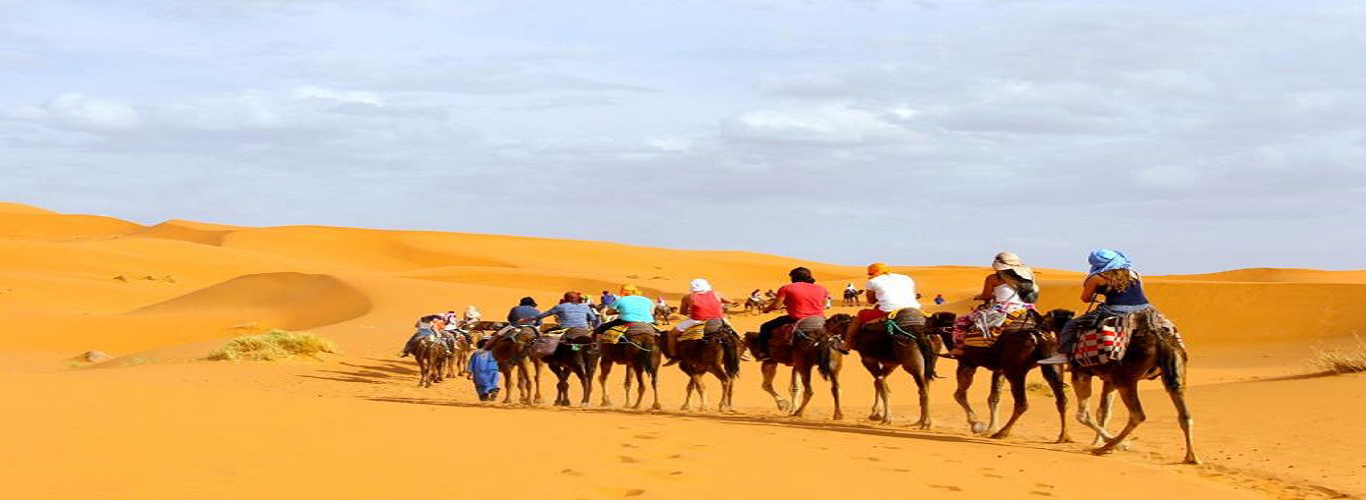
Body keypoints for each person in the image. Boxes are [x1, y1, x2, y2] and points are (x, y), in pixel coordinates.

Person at [1039, 249, 1152, 365]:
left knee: (1071, 325)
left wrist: (1097, 298)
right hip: (1144, 309)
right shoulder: (1134, 273)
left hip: (1116, 311)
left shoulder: (1096, 278)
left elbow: (1085, 298)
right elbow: (1141, 292)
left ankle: (1063, 354)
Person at [947, 252, 1037, 357]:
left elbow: (987, 296)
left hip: (1004, 308)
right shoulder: (1028, 278)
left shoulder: (993, 278)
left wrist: (979, 297)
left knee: (960, 322)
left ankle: (959, 348)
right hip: (1026, 308)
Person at [840, 263, 920, 352]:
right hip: (914, 309)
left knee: (860, 316)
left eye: (870, 274)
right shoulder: (906, 278)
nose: (870, 276)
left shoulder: (873, 281)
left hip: (889, 311)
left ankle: (847, 344)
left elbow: (871, 301)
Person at [755, 267, 830, 361]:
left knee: (765, 327)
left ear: (794, 277)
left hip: (796, 318)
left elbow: (776, 306)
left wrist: (766, 309)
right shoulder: (822, 289)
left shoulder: (786, 288)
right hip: (819, 319)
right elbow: (823, 305)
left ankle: (764, 354)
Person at [664, 278, 736, 365]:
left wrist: (693, 311)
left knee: (672, 334)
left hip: (696, 320)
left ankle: (674, 357)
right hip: (719, 318)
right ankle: (743, 351)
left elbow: (682, 312)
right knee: (733, 332)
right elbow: (733, 303)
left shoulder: (687, 297)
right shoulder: (717, 294)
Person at [530, 291, 598, 337]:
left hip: (566, 329)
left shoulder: (561, 306)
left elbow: (545, 314)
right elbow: (593, 318)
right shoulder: (585, 306)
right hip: (584, 329)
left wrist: (529, 318)